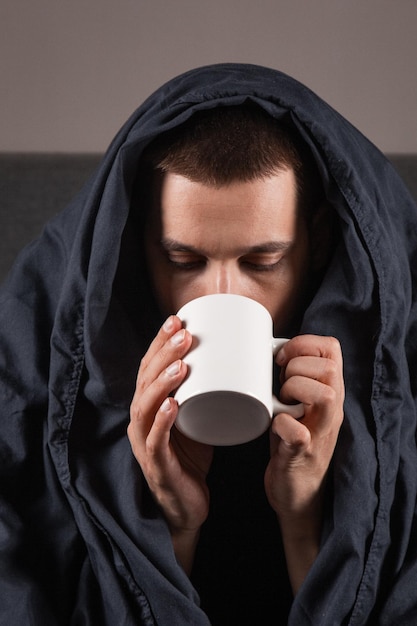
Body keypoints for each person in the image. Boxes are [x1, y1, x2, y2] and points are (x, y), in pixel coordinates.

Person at [1, 64, 416, 626]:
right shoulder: (40, 337)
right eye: (183, 261)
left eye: (262, 262)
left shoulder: (400, 343)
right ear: (134, 244)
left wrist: (306, 519)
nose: (222, 292)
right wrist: (170, 524)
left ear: (317, 244)